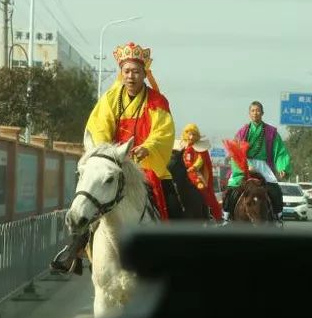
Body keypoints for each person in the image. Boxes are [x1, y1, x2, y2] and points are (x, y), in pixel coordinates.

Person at [51, 41, 177, 274]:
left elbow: (163, 131)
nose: (131, 76)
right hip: (114, 162)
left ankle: (177, 250)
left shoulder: (157, 102)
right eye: (127, 71)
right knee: (90, 196)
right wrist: (109, 155)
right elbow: (99, 128)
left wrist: (147, 147)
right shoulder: (110, 98)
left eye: (136, 71)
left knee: (173, 200)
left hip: (145, 164)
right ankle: (75, 248)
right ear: (122, 73)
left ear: (144, 74)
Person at [222, 101, 291, 224]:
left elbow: (280, 151)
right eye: (253, 110)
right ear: (249, 113)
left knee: (275, 190)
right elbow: (235, 152)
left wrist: (282, 167)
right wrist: (244, 166)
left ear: (262, 113)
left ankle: (278, 216)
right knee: (231, 190)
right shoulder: (242, 132)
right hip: (243, 164)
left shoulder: (271, 132)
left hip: (262, 166)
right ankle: (226, 217)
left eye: (258, 110)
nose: (255, 113)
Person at [174, 123, 222, 220]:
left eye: (193, 135)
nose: (191, 137)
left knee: (202, 189)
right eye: (189, 134)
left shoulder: (200, 148)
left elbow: (200, 160)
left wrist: (193, 167)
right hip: (181, 173)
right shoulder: (181, 147)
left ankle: (209, 211)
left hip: (194, 173)